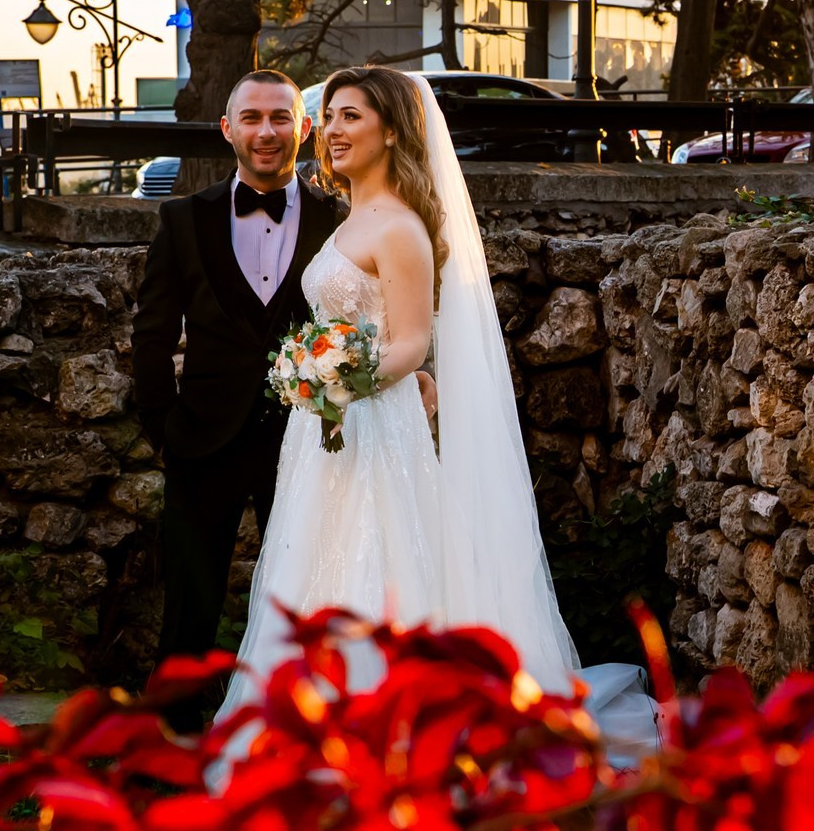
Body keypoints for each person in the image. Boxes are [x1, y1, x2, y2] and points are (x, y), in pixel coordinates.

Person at [214, 65, 654, 750]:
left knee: (374, 567)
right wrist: (313, 375)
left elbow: (413, 343)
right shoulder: (354, 216)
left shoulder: (399, 229)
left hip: (372, 421)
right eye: (328, 116)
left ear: (390, 131)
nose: (331, 130)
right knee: (316, 565)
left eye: (351, 116)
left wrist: (332, 376)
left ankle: (386, 733)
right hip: (330, 428)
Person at [133, 70, 345, 665]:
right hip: (202, 441)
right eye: (251, 118)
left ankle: (303, 729)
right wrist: (163, 429)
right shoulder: (181, 220)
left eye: (280, 117)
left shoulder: (341, 220)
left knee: (311, 597)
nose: (266, 131)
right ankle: (173, 737)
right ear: (228, 129)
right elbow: (151, 335)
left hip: (307, 440)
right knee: (189, 608)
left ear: (303, 128)